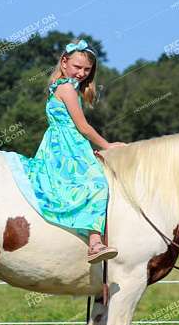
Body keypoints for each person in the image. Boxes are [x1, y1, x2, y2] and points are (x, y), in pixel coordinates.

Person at [14, 38, 127, 263]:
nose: (82, 73)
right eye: (77, 67)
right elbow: (83, 127)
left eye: (87, 70)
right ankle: (95, 242)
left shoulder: (63, 87)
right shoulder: (66, 89)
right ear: (64, 63)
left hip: (66, 144)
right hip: (67, 147)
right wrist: (107, 146)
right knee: (97, 184)